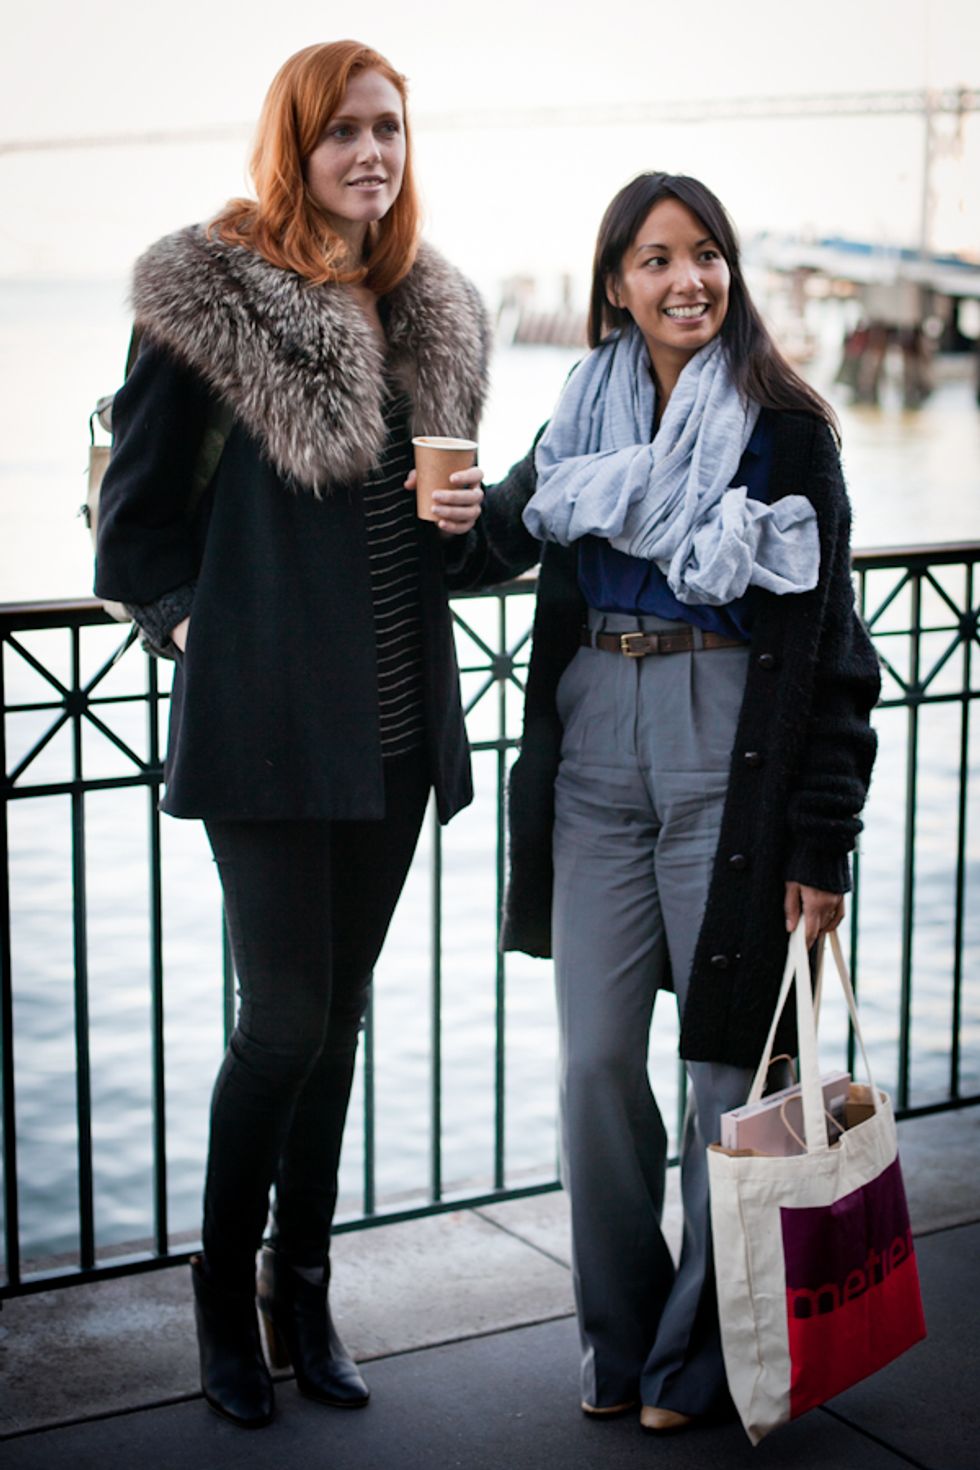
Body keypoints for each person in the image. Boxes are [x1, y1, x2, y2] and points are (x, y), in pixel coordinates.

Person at [95, 40, 488, 1430]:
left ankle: (301, 1287)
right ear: (297, 145)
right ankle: (222, 1297)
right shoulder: (208, 303)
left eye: (389, 128)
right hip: (266, 733)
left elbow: (447, 548)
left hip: (391, 732)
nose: (371, 152)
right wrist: (201, 635)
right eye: (343, 132)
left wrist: (470, 523)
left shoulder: (434, 308)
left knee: (340, 1023)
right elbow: (133, 529)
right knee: (282, 1026)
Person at [469, 172, 881, 1432]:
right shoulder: (578, 417)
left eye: (703, 254)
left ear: (727, 270)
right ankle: (620, 1339)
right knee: (594, 1064)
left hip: (726, 750)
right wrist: (414, 498)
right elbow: (492, 539)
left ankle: (697, 1360)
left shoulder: (783, 427)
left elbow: (834, 652)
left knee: (724, 1074)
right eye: (653, 259)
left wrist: (820, 841)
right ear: (614, 284)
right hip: (593, 747)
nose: (684, 279)